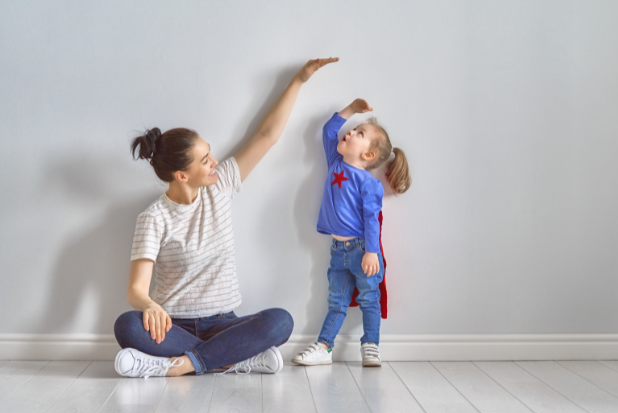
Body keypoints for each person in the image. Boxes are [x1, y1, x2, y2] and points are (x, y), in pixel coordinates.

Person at [113, 57, 338, 378]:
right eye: (205, 160)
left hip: (224, 323)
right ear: (181, 175)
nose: (215, 162)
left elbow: (266, 136)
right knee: (127, 326)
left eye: (210, 153)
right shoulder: (153, 218)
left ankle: (182, 365)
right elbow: (136, 289)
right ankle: (232, 359)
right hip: (171, 325)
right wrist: (149, 306)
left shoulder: (220, 185)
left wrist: (299, 80)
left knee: (280, 321)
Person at [291, 98, 411, 367]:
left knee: (370, 299)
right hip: (338, 251)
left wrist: (371, 252)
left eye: (359, 133)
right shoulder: (335, 161)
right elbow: (328, 131)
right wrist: (351, 111)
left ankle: (371, 346)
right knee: (336, 301)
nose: (350, 132)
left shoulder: (369, 184)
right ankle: (324, 347)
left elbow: (372, 220)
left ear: (368, 155)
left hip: (362, 250)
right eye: (353, 129)